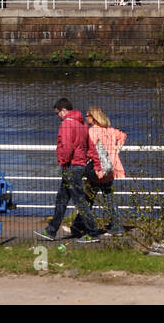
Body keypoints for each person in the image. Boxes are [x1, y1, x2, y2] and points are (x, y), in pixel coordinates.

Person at [34, 98, 101, 243]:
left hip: (71, 166)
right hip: (79, 165)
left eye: (57, 113)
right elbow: (90, 147)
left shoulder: (66, 124)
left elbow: (66, 147)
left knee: (79, 201)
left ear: (63, 110)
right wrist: (96, 163)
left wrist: (63, 162)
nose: (57, 116)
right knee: (62, 199)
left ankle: (93, 232)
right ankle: (51, 230)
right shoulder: (82, 125)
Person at [82, 107, 128, 237]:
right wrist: (116, 150)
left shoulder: (92, 132)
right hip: (110, 168)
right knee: (109, 198)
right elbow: (123, 135)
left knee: (87, 199)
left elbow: (89, 150)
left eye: (87, 116)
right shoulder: (111, 131)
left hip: (98, 169)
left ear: (94, 118)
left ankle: (81, 226)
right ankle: (117, 227)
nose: (86, 118)